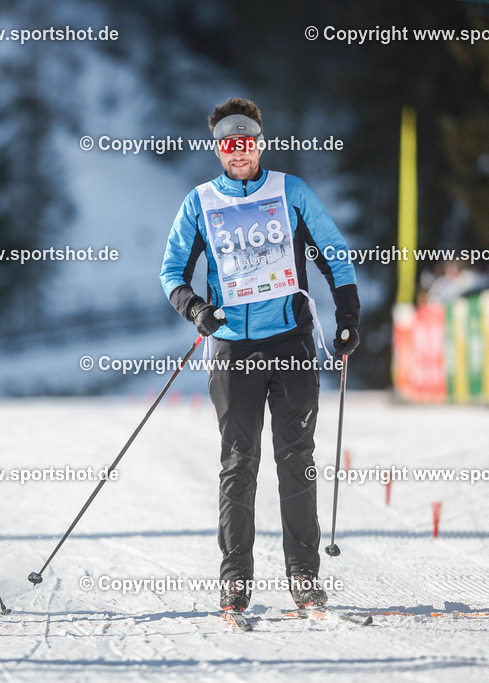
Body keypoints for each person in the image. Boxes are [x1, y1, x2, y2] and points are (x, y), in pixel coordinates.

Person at [159, 98, 360, 615]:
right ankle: (235, 578)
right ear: (219, 149)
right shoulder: (200, 201)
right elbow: (171, 272)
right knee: (237, 461)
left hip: (290, 340)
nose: (239, 153)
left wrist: (347, 317)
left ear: (259, 143)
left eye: (246, 142)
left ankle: (303, 574)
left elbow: (334, 251)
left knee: (297, 459)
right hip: (231, 347)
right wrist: (195, 309)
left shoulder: (290, 192)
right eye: (229, 144)